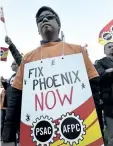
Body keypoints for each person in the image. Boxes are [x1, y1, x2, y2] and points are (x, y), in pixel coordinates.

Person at [2, 6, 102, 145]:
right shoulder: (28, 59)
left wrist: (98, 130)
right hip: (41, 133)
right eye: (40, 20)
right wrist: (8, 137)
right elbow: (16, 98)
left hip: (77, 130)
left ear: (58, 24)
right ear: (38, 29)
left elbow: (94, 92)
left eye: (49, 17)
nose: (44, 20)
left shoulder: (78, 51)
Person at [96, 42, 113, 146]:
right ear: (104, 51)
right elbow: (99, 75)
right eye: (109, 47)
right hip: (110, 102)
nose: (112, 48)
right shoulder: (100, 62)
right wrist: (109, 71)